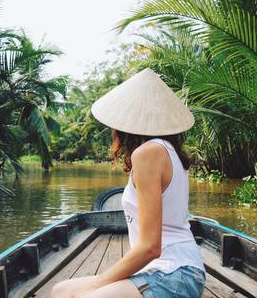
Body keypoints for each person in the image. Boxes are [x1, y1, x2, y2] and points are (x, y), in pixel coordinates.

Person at [50, 68, 205, 298]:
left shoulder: (148, 153)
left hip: (174, 273)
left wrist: (98, 285)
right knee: (60, 291)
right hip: (166, 270)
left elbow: (151, 247)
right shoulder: (168, 150)